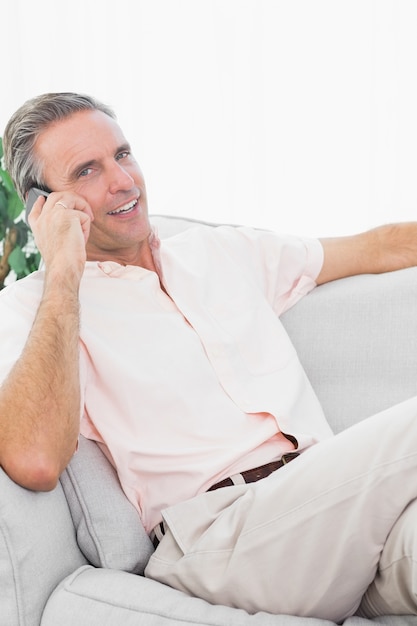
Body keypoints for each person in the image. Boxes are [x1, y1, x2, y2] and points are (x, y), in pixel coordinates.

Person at [1, 92, 417, 622]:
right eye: (87, 171)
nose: (122, 180)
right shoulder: (34, 307)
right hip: (220, 542)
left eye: (122, 155)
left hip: (331, 523)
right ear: (45, 206)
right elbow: (33, 460)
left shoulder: (218, 253)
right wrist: (63, 268)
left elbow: (376, 248)